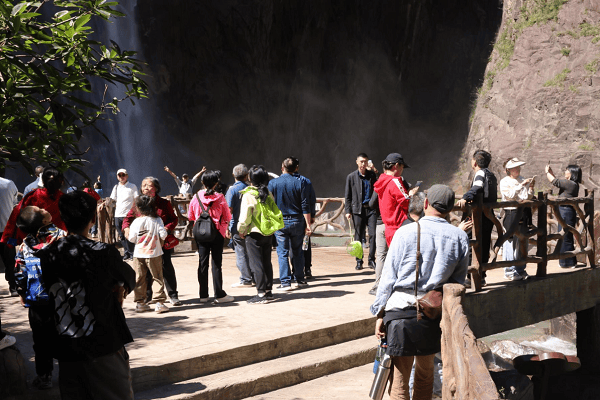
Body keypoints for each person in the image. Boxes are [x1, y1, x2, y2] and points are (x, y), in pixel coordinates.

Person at [371, 185, 470, 400]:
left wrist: (380, 313)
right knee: (426, 376)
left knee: (399, 379)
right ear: (450, 208)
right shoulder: (459, 237)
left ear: (425, 204)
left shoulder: (404, 232)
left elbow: (388, 278)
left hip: (399, 314)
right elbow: (458, 283)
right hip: (431, 314)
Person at [37, 191, 135, 400]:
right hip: (103, 345)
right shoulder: (103, 252)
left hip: (67, 347)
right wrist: (120, 285)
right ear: (93, 219)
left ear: (61, 219)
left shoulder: (47, 255)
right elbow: (128, 276)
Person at [13, 206, 67, 390]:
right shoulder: (61, 237)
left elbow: (19, 271)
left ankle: (44, 376)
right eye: (40, 210)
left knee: (41, 340)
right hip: (62, 298)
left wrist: (22, 293)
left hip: (37, 299)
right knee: (65, 334)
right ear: (44, 221)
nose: (44, 208)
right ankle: (71, 373)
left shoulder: (24, 245)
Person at [2, 167, 66, 295]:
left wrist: (9, 238)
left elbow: (17, 215)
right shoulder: (65, 199)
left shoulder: (33, 195)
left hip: (34, 245)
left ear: (42, 179)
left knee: (35, 280)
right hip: (60, 243)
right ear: (62, 182)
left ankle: (35, 296)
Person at [122, 177, 182, 306]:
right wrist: (126, 229)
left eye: (149, 186)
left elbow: (174, 219)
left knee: (166, 268)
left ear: (156, 188)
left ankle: (173, 295)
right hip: (144, 246)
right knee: (144, 272)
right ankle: (147, 297)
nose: (145, 188)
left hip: (161, 243)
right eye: (143, 186)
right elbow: (127, 219)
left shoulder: (164, 203)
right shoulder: (138, 203)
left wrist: (166, 228)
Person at [188, 171, 234, 304]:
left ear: (202, 182)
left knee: (202, 263)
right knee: (216, 264)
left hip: (201, 235)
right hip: (217, 234)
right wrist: (222, 230)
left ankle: (203, 295)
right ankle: (219, 294)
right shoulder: (220, 197)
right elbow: (227, 217)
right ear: (216, 184)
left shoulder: (196, 197)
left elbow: (191, 217)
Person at [268, 157, 312, 290]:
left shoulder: (273, 183)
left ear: (282, 168)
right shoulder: (300, 183)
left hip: (280, 222)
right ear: (296, 168)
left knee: (282, 252)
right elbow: (305, 205)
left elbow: (269, 204)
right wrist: (308, 224)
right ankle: (300, 280)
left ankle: (285, 283)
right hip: (297, 221)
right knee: (298, 251)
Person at [238, 165, 279, 304]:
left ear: (250, 178)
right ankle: (268, 292)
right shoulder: (268, 193)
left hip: (253, 233)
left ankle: (260, 294)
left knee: (256, 264)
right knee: (267, 262)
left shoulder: (248, 194)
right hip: (267, 232)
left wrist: (241, 230)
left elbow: (245, 217)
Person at [456, 150, 497, 285]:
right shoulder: (492, 175)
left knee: (470, 243)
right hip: (488, 215)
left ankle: (470, 276)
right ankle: (481, 275)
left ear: (474, 162)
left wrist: (465, 197)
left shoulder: (480, 173)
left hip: (478, 215)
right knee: (484, 245)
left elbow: (477, 188)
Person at [128, 195, 169, 313]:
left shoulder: (136, 221)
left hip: (138, 254)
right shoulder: (157, 220)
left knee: (139, 278)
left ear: (138, 208)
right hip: (154, 253)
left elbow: (131, 238)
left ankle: (140, 303)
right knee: (157, 277)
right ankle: (159, 303)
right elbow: (163, 235)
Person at [500, 158, 535, 281]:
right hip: (511, 212)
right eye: (515, 167)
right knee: (510, 242)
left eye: (519, 167)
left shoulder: (521, 179)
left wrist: (530, 188)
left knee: (522, 241)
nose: (518, 169)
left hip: (523, 212)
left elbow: (526, 196)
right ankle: (509, 271)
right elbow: (510, 196)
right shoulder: (504, 181)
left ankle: (520, 269)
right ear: (509, 170)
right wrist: (521, 185)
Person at [374, 153, 419, 247]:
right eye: (402, 167)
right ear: (396, 165)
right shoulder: (395, 181)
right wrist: (410, 195)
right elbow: (406, 203)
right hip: (399, 228)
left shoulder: (381, 181)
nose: (402, 170)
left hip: (389, 228)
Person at [345, 153, 377, 270]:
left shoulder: (372, 175)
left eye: (365, 161)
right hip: (358, 210)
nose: (363, 164)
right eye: (361, 161)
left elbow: (378, 188)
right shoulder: (351, 177)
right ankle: (359, 261)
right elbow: (347, 196)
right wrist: (348, 210)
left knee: (373, 235)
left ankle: (371, 260)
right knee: (358, 235)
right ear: (357, 162)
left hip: (371, 209)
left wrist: (374, 170)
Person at [545, 163, 582, 268]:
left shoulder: (571, 184)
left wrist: (547, 172)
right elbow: (558, 182)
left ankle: (567, 263)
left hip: (566, 211)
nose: (565, 172)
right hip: (567, 211)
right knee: (566, 236)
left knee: (565, 236)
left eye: (567, 170)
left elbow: (555, 181)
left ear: (571, 173)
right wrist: (551, 172)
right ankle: (567, 261)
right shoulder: (572, 184)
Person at [226, 164, 254, 288]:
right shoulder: (250, 189)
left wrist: (226, 226)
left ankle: (246, 279)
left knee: (241, 253)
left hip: (237, 226)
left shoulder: (232, 190)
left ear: (233, 175)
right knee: (250, 252)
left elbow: (229, 211)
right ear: (247, 175)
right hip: (250, 226)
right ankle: (253, 276)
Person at [291, 161, 317, 279]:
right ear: (297, 167)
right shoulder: (306, 181)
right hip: (304, 218)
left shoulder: (284, 181)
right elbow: (312, 200)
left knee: (293, 245)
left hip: (291, 218)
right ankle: (307, 268)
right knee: (306, 243)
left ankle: (295, 269)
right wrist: (311, 217)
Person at [110, 169, 138, 261]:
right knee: (121, 236)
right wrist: (102, 204)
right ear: (117, 177)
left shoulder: (132, 186)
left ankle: (132, 253)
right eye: (119, 175)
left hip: (129, 215)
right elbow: (111, 199)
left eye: (123, 175)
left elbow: (136, 199)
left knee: (130, 234)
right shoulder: (116, 187)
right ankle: (126, 253)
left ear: (127, 176)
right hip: (118, 214)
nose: (122, 177)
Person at [0, 168, 19, 295]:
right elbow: (14, 205)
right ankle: (13, 287)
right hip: (8, 230)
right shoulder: (9, 184)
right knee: (10, 259)